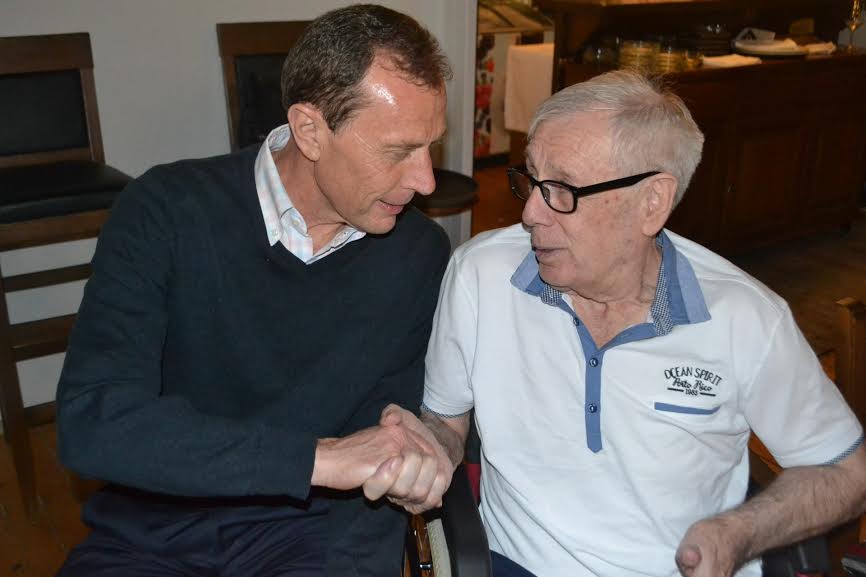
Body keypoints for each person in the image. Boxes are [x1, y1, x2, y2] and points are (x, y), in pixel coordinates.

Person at [55, 5, 454, 577]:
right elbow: (94, 423)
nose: (426, 180)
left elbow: (383, 447)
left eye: (431, 146)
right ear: (310, 130)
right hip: (153, 530)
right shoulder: (166, 211)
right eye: (398, 151)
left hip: (309, 537)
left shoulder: (417, 254)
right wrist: (316, 459)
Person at [416, 71, 866, 577]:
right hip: (520, 565)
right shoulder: (480, 275)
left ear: (652, 202)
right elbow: (444, 422)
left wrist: (739, 532)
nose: (531, 213)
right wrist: (422, 451)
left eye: (561, 189)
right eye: (532, 180)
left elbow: (846, 472)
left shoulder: (746, 319)